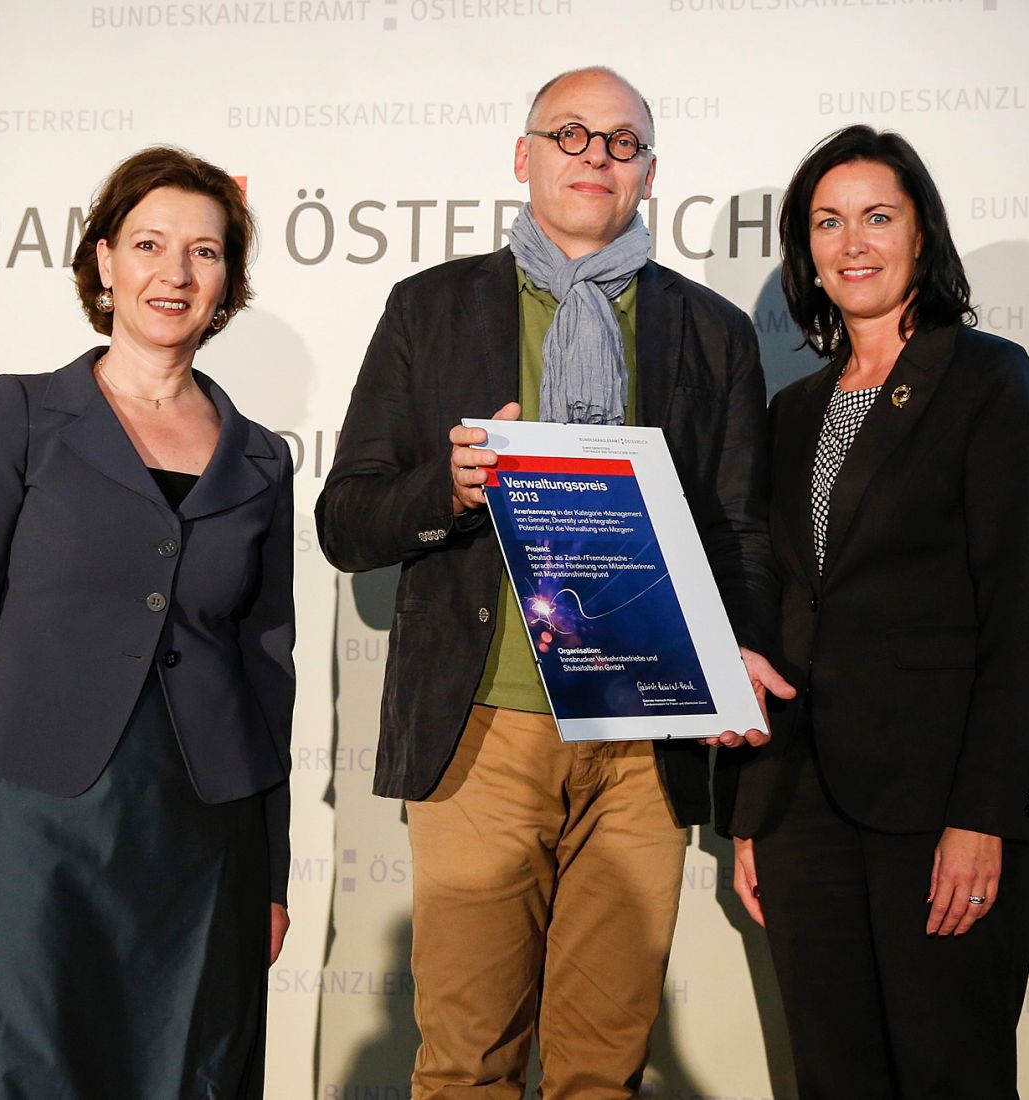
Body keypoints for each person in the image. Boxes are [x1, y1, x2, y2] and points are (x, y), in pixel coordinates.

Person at [315, 66, 783, 1098]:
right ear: (522, 158)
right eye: (570, 135)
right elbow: (343, 521)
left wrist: (732, 649)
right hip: (484, 729)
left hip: (643, 745)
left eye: (621, 143)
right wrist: (450, 485)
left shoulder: (710, 332)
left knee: (602, 1068)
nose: (594, 158)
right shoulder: (429, 310)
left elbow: (740, 530)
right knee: (465, 1060)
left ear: (649, 174)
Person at [0, 145, 296, 1098]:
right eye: (149, 244)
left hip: (202, 843)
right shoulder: (19, 416)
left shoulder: (263, 460)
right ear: (104, 262)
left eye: (205, 252)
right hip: (27, 831)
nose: (174, 274)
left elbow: (269, 673)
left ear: (229, 280)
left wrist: (271, 874)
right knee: (14, 1068)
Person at [723, 125, 1029, 1100]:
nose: (852, 241)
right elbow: (785, 607)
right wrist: (753, 811)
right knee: (832, 1077)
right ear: (805, 250)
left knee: (947, 1072)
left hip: (939, 804)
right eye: (827, 222)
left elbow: (1016, 608)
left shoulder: (986, 378)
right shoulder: (793, 408)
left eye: (877, 216)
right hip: (801, 811)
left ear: (921, 236)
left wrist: (980, 813)